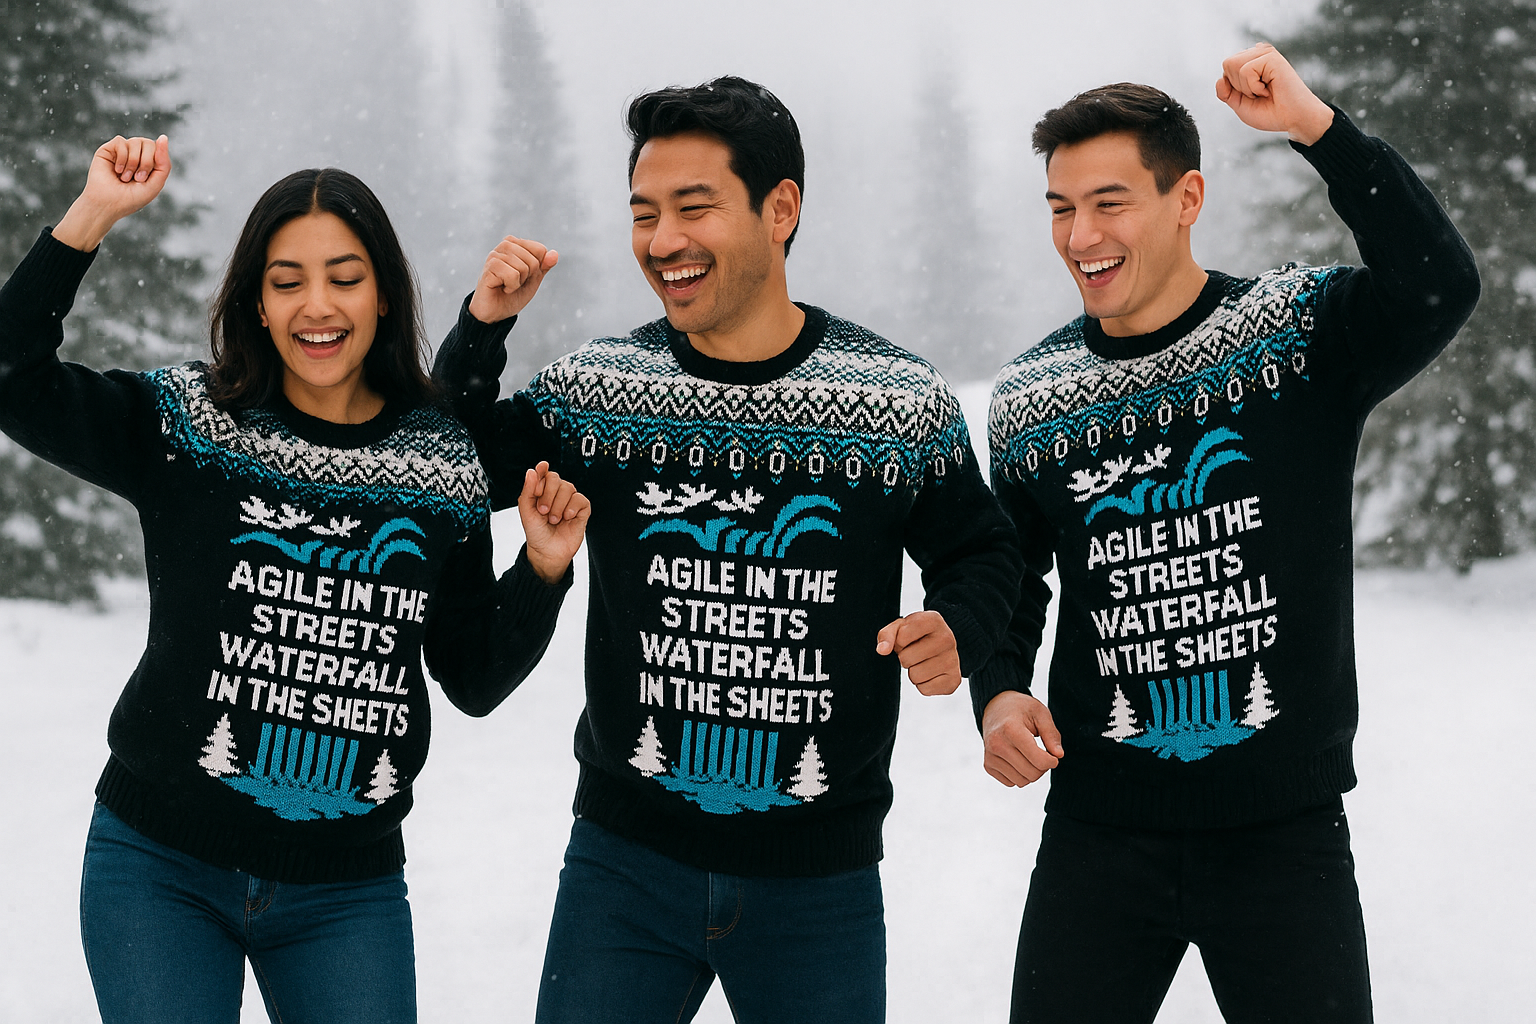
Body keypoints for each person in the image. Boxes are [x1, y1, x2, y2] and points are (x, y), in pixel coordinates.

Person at [433, 76, 1022, 1023]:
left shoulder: (896, 398)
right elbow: (439, 463)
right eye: (643, 214)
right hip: (623, 869)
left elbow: (984, 549)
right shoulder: (601, 390)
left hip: (819, 882)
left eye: (693, 207)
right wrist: (482, 329)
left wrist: (960, 623)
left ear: (780, 209)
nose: (662, 241)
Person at [0, 135, 591, 1022]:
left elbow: (471, 675)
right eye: (287, 282)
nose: (318, 305)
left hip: (344, 895)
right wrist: (92, 215)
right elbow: (13, 378)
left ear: (384, 293)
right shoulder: (192, 426)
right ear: (258, 303)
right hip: (159, 868)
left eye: (344, 277)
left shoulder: (438, 461)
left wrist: (541, 571)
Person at [977, 44, 1480, 1023]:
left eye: (1109, 202)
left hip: (1282, 836)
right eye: (1060, 207)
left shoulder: (1295, 334)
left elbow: (1439, 283)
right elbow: (1011, 570)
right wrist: (998, 689)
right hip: (1098, 837)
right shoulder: (1034, 395)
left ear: (1187, 198)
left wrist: (1318, 130)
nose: (1081, 235)